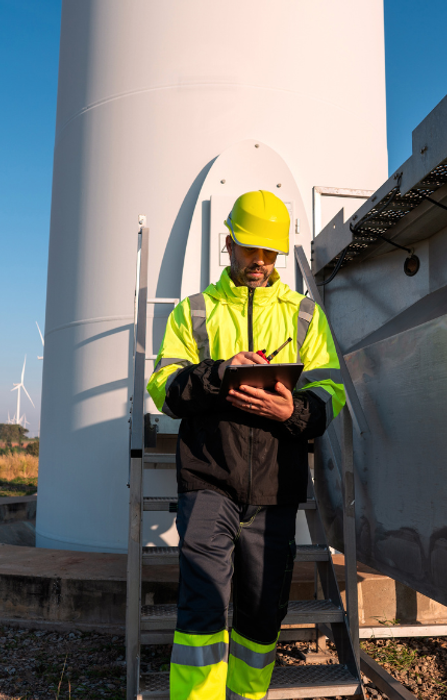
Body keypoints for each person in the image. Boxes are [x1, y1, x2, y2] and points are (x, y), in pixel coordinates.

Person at [147, 190, 345, 700]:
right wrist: (218, 374)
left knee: (262, 610)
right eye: (251, 250)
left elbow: (331, 391)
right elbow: (164, 389)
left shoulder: (304, 315)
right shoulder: (194, 312)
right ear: (229, 244)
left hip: (277, 486)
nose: (260, 262)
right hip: (209, 478)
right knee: (203, 606)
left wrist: (294, 412)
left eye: (270, 253)